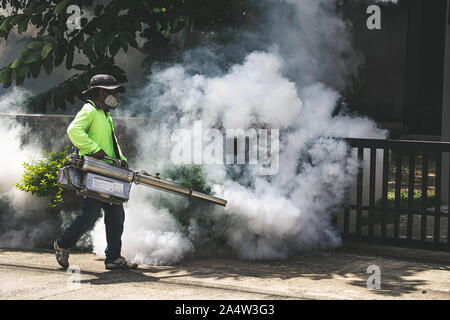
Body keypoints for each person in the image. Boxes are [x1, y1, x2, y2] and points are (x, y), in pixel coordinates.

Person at [54, 74, 137, 270]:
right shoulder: (90, 110)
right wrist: (92, 148)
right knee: (89, 215)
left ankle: (114, 258)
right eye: (112, 92)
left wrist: (122, 160)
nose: (115, 96)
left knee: (116, 214)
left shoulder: (105, 115)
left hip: (109, 171)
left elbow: (112, 142)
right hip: (93, 171)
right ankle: (62, 244)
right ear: (100, 92)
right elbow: (74, 130)